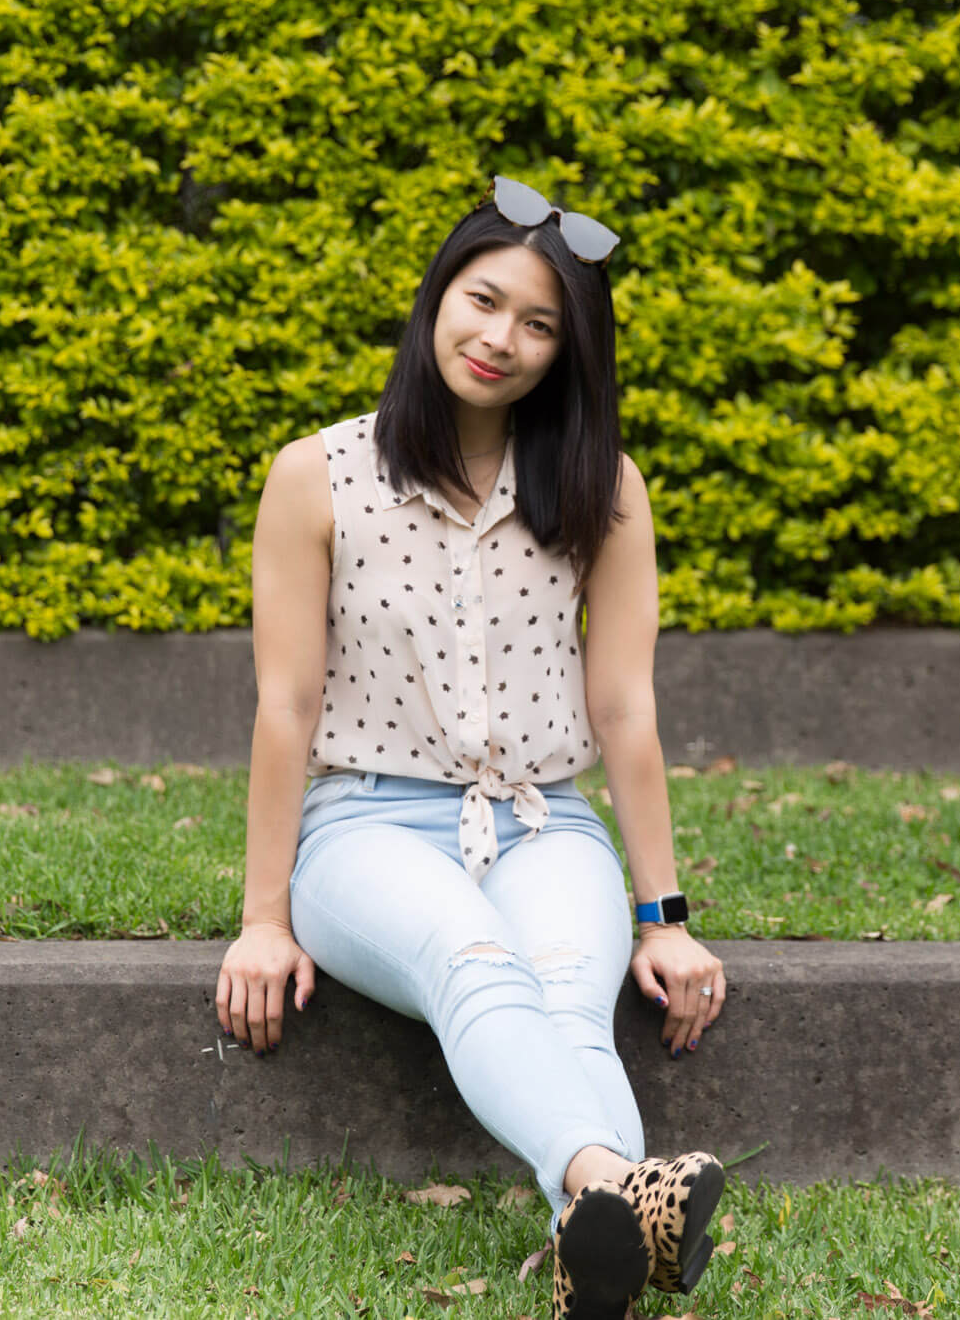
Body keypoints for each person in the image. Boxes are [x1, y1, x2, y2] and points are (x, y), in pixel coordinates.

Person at [216, 175, 728, 1320]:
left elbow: (625, 713)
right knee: (469, 955)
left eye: (539, 324)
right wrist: (262, 915)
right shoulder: (320, 474)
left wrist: (665, 915)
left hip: (544, 822)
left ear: (566, 352)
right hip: (364, 826)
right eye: (482, 299)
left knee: (563, 996)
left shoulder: (602, 488)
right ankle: (610, 1184)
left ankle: (588, 1237)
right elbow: (285, 706)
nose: (501, 338)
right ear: (435, 296)